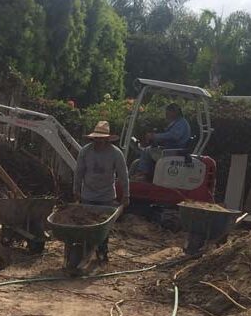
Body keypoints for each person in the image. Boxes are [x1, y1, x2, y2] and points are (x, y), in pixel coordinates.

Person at [73, 121, 130, 263]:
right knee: (85, 224)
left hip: (106, 197)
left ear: (107, 139)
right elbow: (78, 172)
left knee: (103, 228)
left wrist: (126, 195)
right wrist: (76, 190)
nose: (99, 141)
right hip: (88, 195)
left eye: (102, 139)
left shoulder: (116, 154)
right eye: (96, 138)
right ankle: (84, 249)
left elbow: (123, 176)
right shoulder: (85, 151)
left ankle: (102, 251)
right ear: (93, 138)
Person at [134, 103, 192, 177]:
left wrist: (154, 136)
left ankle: (143, 174)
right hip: (173, 149)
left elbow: (173, 136)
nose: (166, 114)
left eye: (168, 112)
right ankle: (148, 174)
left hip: (174, 151)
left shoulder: (181, 124)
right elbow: (169, 136)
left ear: (174, 112)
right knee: (151, 149)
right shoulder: (178, 122)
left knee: (147, 151)